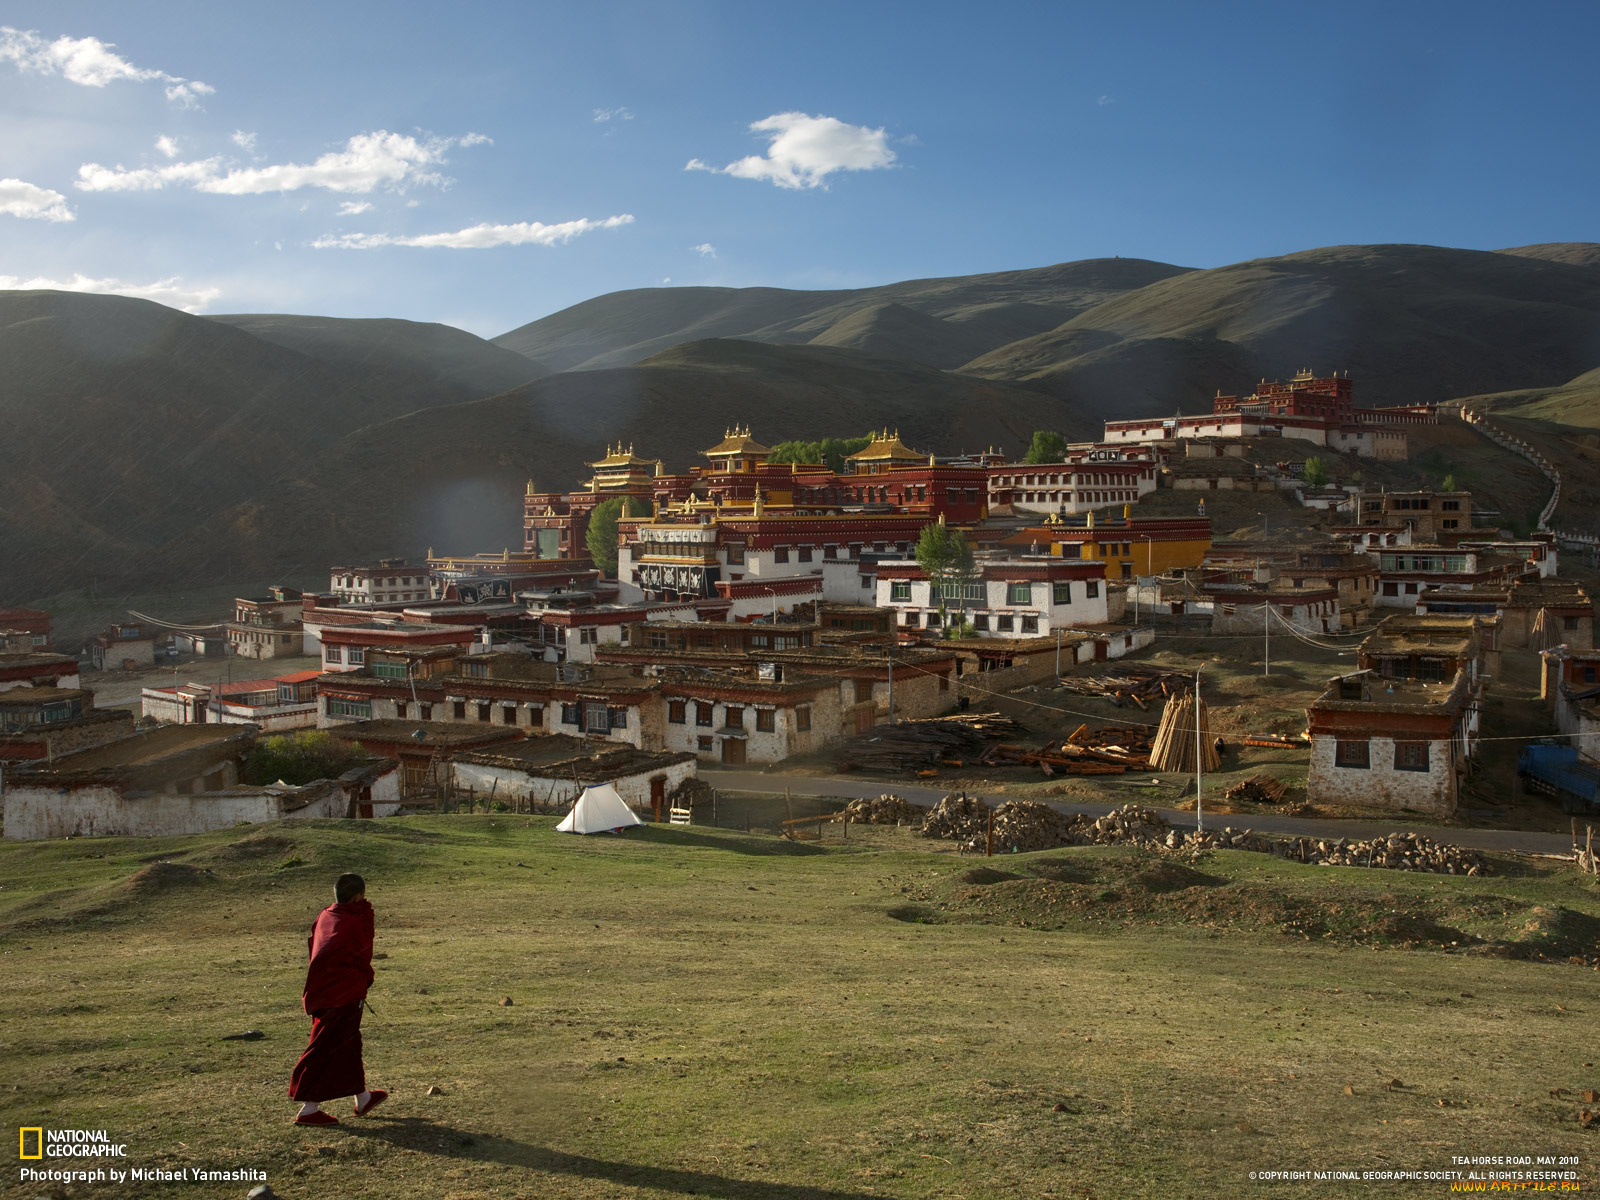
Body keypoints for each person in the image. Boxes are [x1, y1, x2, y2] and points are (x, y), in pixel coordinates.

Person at [288, 873, 386, 1126]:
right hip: (343, 994)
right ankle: (309, 1109)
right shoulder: (352, 923)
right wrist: (366, 978)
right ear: (357, 897)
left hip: (324, 989)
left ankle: (362, 1098)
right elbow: (360, 956)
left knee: (349, 1045)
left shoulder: (326, 915)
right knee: (326, 1048)